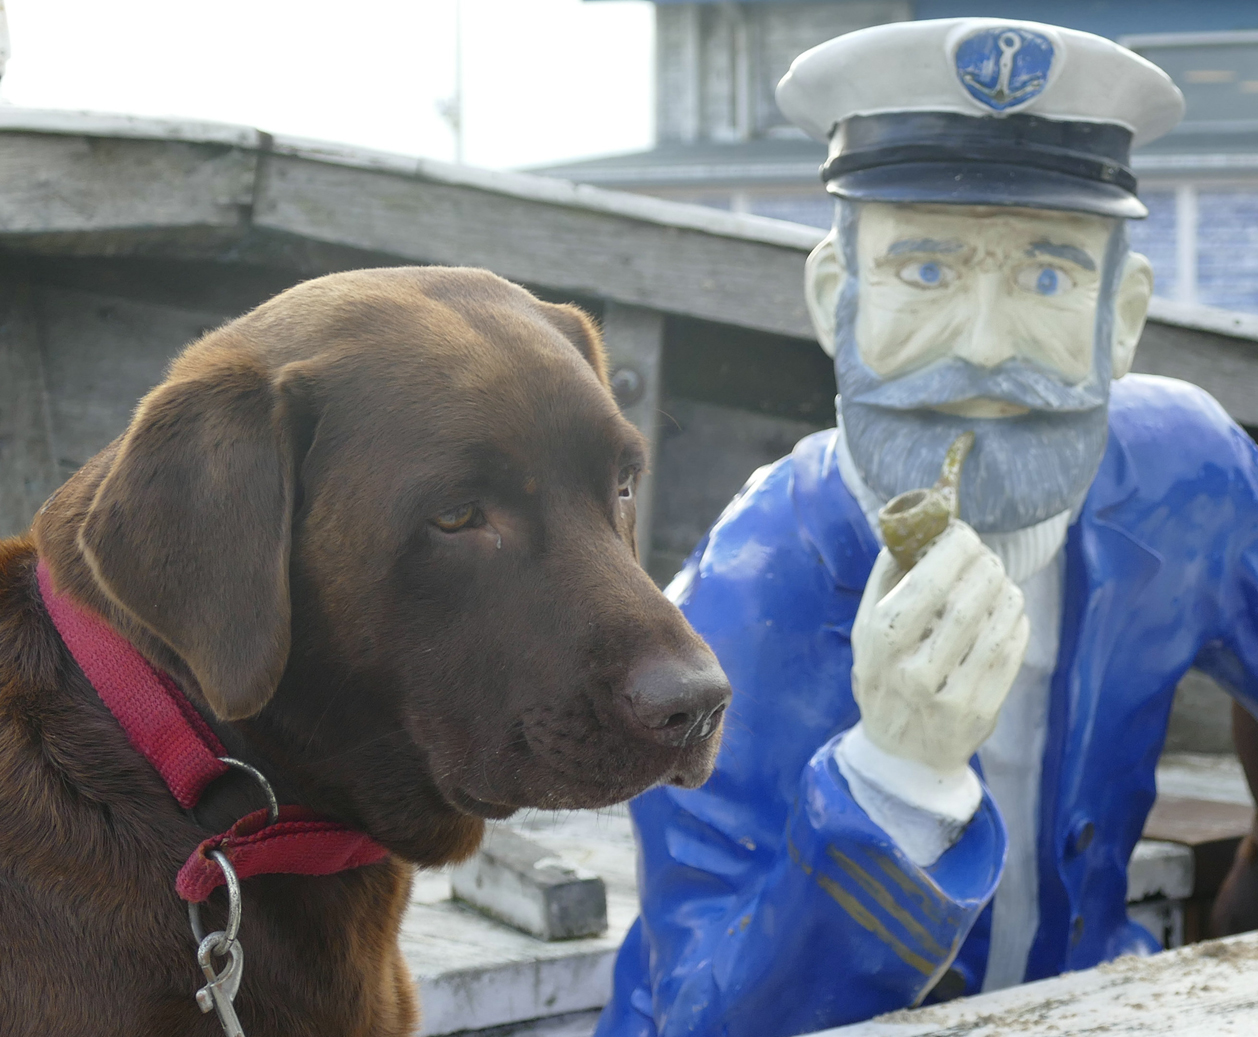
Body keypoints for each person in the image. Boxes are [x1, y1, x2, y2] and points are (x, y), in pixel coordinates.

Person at [596, 17, 1258, 1037]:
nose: (985, 347)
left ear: (1122, 317)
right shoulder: (736, 606)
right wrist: (897, 772)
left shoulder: (1187, 476)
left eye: (1047, 278)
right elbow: (709, 1014)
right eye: (926, 272)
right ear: (836, 299)